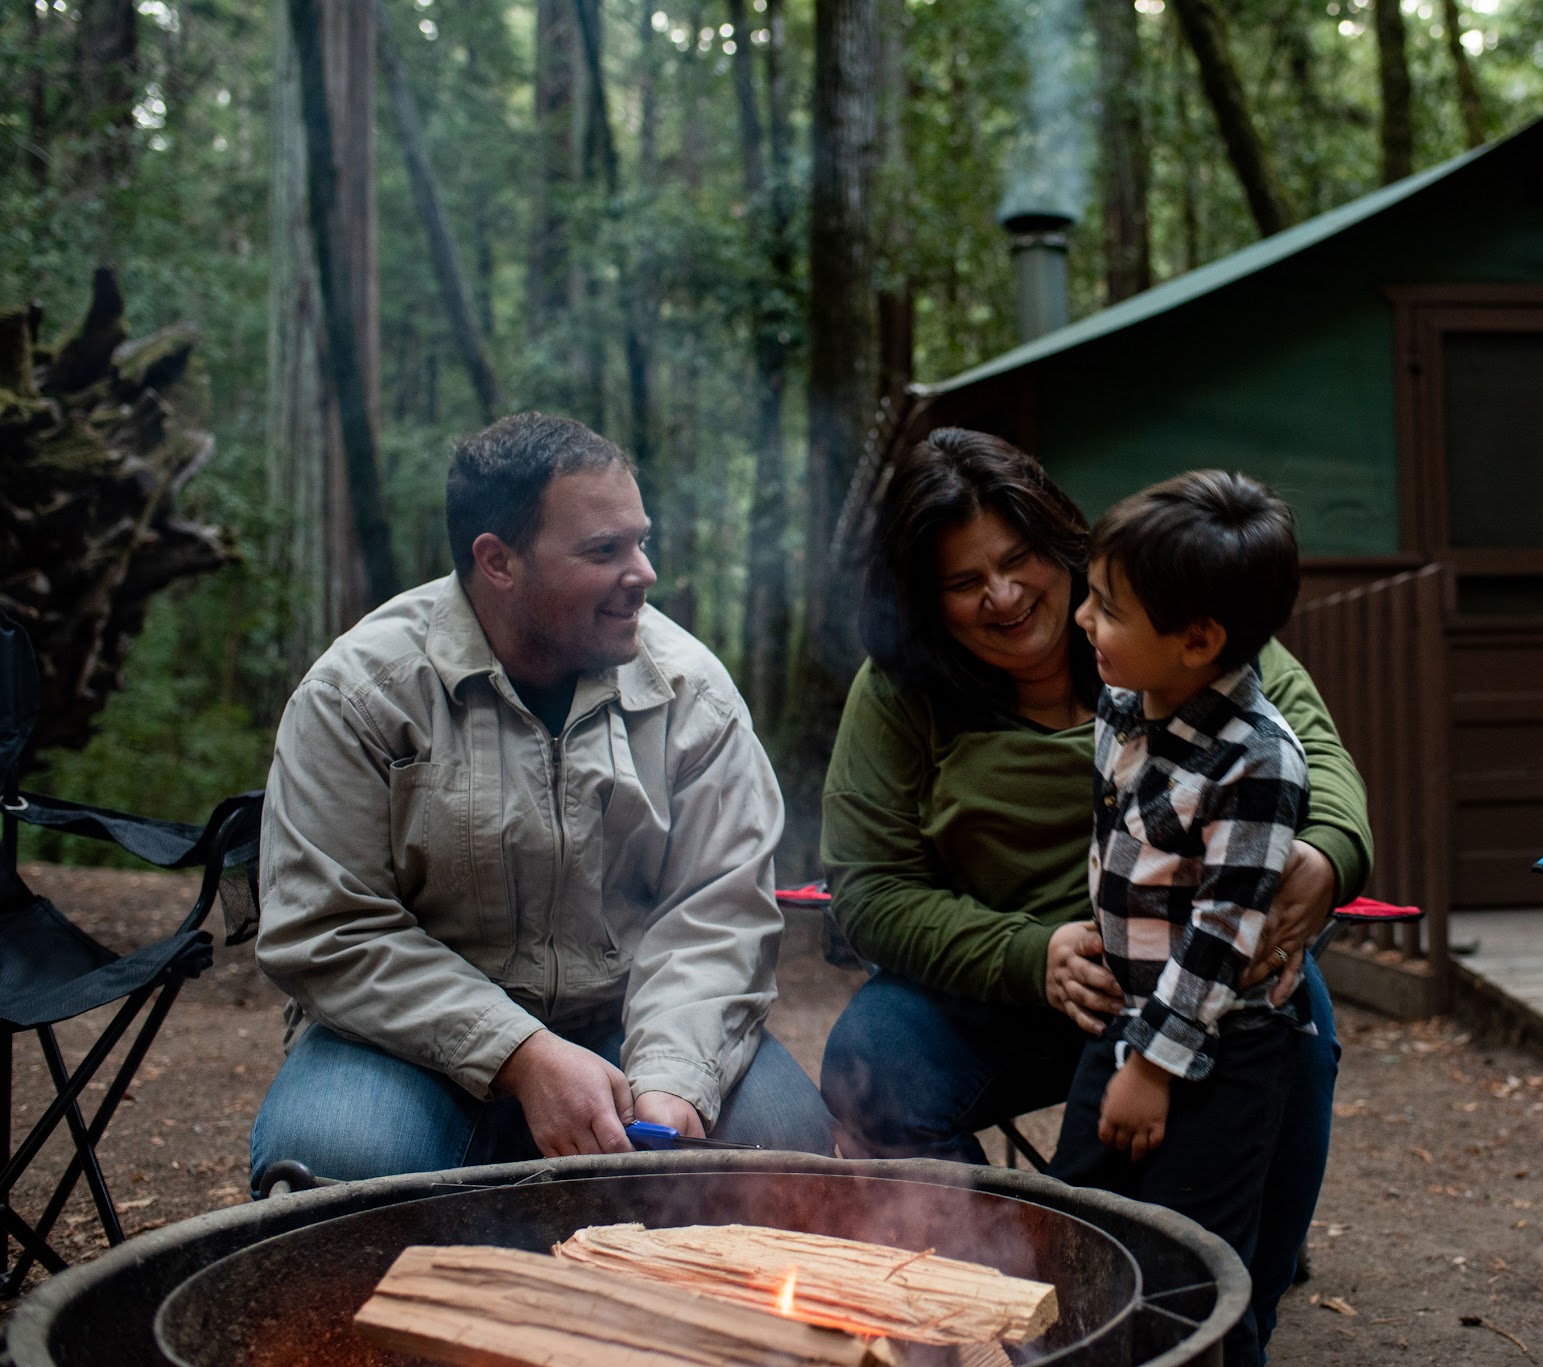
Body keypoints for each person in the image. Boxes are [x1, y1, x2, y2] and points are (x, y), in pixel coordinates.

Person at [818, 429, 1372, 1350]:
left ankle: (1237, 1320)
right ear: (923, 600)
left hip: (1194, 965)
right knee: (872, 1057)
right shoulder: (903, 690)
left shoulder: (1178, 622)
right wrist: (1025, 953)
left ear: (1062, 543)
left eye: (1020, 558)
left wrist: (1328, 850)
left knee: (1293, 1018)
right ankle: (995, 1307)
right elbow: (869, 887)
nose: (1004, 596)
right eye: (964, 582)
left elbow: (1310, 752)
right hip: (1008, 981)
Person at [249, 413, 834, 1188]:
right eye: (605, 551)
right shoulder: (358, 694)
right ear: (498, 562)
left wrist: (671, 1076)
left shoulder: (692, 692)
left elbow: (717, 909)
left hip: (630, 1025)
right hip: (405, 1045)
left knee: (782, 1143)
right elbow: (329, 925)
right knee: (340, 1160)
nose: (644, 572)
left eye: (640, 539)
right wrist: (518, 1054)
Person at [1053, 471, 1309, 1367]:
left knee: (1190, 1270)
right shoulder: (1125, 705)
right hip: (1122, 1024)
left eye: (1108, 608)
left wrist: (1155, 1068)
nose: (1082, 619)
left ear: (1198, 640)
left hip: (1220, 1050)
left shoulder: (1258, 761)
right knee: (1073, 1227)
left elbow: (1224, 929)